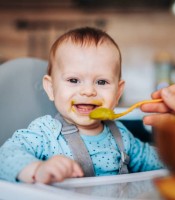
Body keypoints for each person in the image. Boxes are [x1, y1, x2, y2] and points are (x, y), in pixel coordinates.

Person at [0, 27, 164, 184]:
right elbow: (5, 156)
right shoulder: (45, 132)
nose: (88, 91)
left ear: (118, 93)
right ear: (50, 88)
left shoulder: (121, 136)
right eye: (73, 80)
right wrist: (38, 169)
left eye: (101, 82)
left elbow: (162, 161)